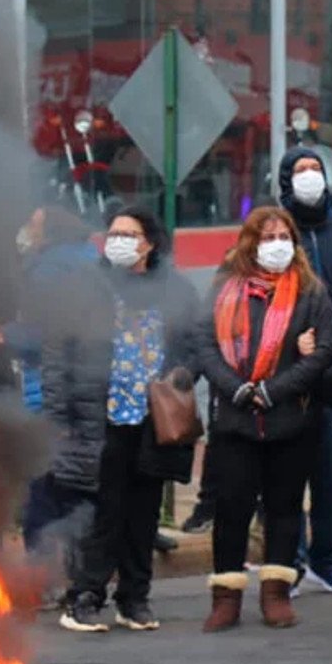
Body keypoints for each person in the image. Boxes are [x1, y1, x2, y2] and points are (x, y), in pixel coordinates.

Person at [194, 207, 332, 632]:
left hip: (290, 419)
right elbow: (204, 343)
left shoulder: (311, 291)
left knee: (285, 508)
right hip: (235, 421)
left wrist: (272, 391)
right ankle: (225, 597)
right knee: (231, 508)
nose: (277, 244)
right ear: (250, 242)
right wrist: (236, 388)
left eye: (283, 236)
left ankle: (276, 592)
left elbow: (326, 349)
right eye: (267, 236)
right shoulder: (225, 288)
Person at [58, 207, 201, 634]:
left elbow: (195, 343)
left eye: (129, 233)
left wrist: (181, 373)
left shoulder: (173, 290)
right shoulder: (89, 286)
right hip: (104, 416)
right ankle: (85, 596)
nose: (118, 239)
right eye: (114, 232)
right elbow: (64, 347)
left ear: (150, 243)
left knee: (143, 513)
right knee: (105, 510)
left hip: (152, 419)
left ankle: (134, 598)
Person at [7, 206, 114, 617]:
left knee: (44, 494)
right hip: (89, 394)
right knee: (79, 488)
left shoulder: (46, 270)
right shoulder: (93, 263)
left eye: (31, 225)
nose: (26, 232)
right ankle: (79, 576)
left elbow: (42, 337)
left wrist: (6, 336)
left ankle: (43, 581)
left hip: (50, 398)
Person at [278, 145, 332, 593]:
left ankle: (328, 561)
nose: (310, 176)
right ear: (285, 179)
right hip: (286, 375)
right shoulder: (274, 233)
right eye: (300, 170)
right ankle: (287, 564)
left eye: (316, 169)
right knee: (287, 475)